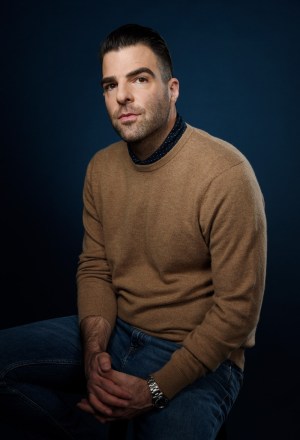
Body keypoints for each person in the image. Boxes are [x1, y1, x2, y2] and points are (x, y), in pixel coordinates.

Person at [0, 24, 267, 440]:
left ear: (172, 88)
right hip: (117, 330)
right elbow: (95, 268)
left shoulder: (226, 173)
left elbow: (238, 313)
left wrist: (154, 390)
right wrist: (94, 352)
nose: (122, 95)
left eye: (139, 79)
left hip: (195, 351)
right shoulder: (101, 168)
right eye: (110, 84)